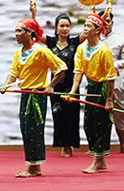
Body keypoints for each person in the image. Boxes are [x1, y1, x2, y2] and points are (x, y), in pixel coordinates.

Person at [2, 18, 66, 177]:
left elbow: (61, 68)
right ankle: (33, 165)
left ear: (29, 33)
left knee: (34, 130)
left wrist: (51, 86)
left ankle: (34, 166)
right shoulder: (19, 52)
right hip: (25, 95)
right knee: (25, 130)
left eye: (19, 31)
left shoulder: (40, 50)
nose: (16, 34)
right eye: (15, 31)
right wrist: (6, 85)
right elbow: (13, 72)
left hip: (37, 95)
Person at [66, 13, 116, 174]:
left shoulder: (104, 50)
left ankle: (97, 160)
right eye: (85, 25)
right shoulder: (81, 48)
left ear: (97, 30)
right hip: (91, 89)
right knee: (89, 124)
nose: (85, 28)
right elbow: (78, 72)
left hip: (102, 88)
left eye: (89, 26)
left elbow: (111, 77)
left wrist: (109, 99)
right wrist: (73, 92)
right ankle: (100, 160)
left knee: (100, 125)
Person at [44, 13, 83, 157]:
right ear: (56, 28)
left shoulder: (75, 42)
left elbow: (90, 31)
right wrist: (33, 13)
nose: (65, 29)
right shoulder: (51, 42)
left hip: (72, 84)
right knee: (58, 114)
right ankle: (62, 144)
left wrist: (94, 9)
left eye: (67, 26)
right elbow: (34, 33)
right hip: (55, 85)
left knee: (72, 115)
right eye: (62, 26)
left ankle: (70, 144)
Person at [99, 10, 124, 154]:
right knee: (98, 112)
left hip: (115, 78)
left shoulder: (119, 39)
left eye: (108, 21)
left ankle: (122, 144)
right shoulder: (93, 39)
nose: (105, 24)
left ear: (112, 23)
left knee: (120, 109)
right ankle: (99, 146)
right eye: (103, 21)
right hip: (97, 79)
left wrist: (112, 65)